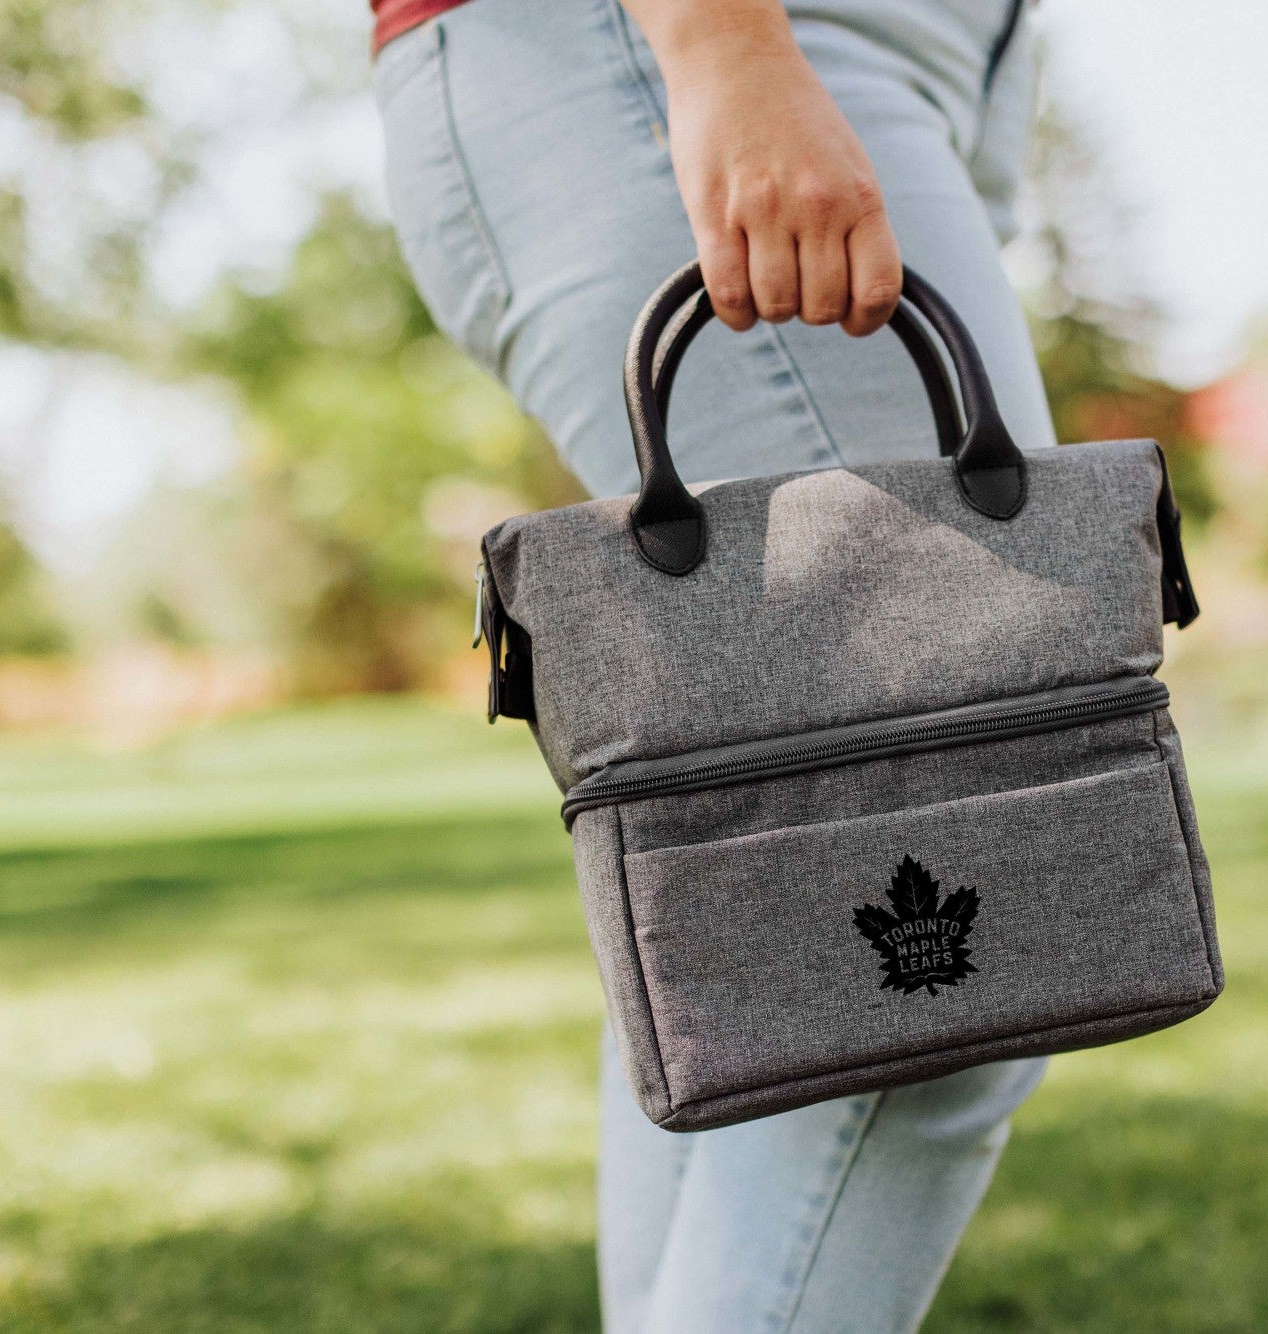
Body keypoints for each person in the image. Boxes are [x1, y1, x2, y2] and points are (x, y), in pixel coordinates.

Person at [372, 1, 1054, 1328]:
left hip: (904, 57)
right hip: (689, 36)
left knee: (749, 919)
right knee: (951, 944)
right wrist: (723, 48)